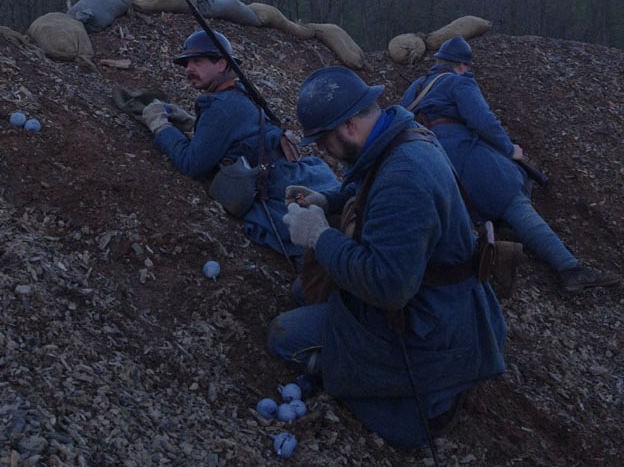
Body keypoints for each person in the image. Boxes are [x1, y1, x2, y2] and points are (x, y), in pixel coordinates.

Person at [267, 66, 507, 449]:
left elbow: (389, 286)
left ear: (347, 126)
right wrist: (326, 200)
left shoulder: (404, 175)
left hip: (429, 324)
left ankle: (413, 397)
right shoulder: (399, 136)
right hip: (439, 301)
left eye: (323, 140)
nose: (322, 151)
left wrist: (321, 236)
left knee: (284, 336)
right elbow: (367, 188)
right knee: (303, 291)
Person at [401, 36, 620, 292]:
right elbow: (484, 122)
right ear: (461, 65)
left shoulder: (414, 89)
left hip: (431, 166)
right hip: (465, 162)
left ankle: (496, 230)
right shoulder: (459, 82)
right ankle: (568, 268)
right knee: (514, 197)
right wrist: (509, 150)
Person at [140, 30, 340, 264]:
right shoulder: (238, 91)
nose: (188, 69)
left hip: (277, 186)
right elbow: (233, 133)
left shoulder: (221, 107)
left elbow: (190, 163)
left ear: (222, 63)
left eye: (197, 61)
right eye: (186, 63)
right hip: (302, 174)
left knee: (313, 245)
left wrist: (160, 126)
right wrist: (187, 121)